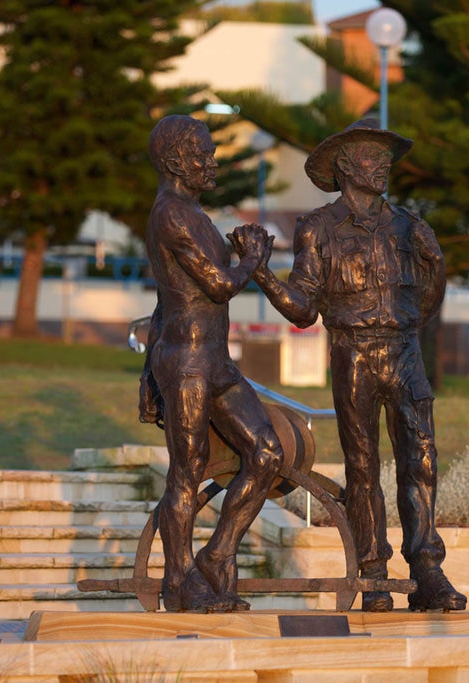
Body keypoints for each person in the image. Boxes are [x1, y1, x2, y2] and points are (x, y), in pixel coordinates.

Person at [232, 118, 466, 612]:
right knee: (363, 470)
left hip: (404, 351)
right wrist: (261, 276)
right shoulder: (317, 228)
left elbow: (429, 297)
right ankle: (373, 573)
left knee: (421, 459)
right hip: (352, 353)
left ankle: (427, 570)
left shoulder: (409, 225)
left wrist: (435, 267)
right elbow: (303, 309)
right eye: (369, 157)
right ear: (343, 167)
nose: (381, 165)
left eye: (385, 158)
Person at [140, 114, 282, 613]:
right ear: (177, 160)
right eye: (202, 152)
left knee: (267, 452)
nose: (212, 161)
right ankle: (178, 581)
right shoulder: (171, 215)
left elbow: (168, 296)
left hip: (214, 360)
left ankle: (218, 554)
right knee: (188, 470)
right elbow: (219, 285)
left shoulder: (193, 214)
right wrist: (253, 258)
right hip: (186, 361)